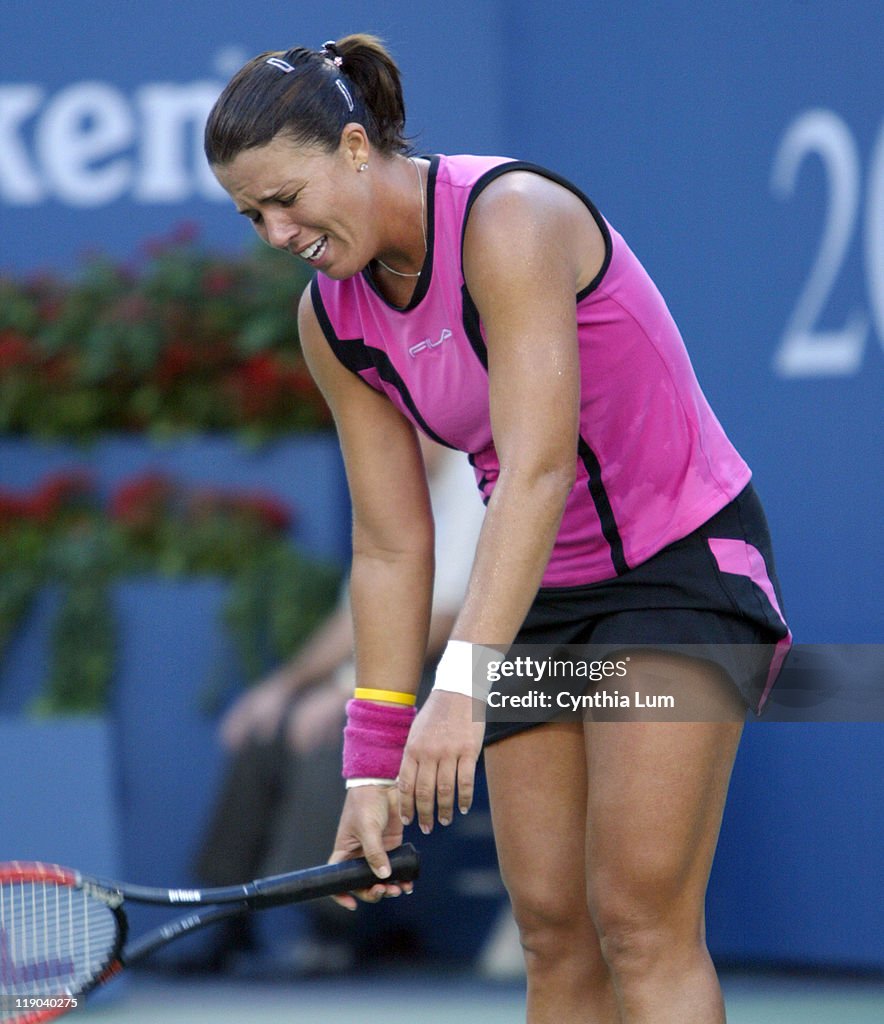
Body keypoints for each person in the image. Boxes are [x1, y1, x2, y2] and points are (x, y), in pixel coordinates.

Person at [203, 34, 791, 1024]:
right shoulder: (331, 320)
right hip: (537, 599)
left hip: (679, 578)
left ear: (354, 147)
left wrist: (463, 682)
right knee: (552, 930)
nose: (275, 232)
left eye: (286, 197)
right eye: (250, 214)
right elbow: (390, 545)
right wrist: (370, 760)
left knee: (637, 919)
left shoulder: (507, 219)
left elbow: (536, 468)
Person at [193, 436, 485, 972]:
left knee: (338, 734)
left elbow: (445, 621)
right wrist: (284, 687)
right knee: (268, 727)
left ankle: (327, 926)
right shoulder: (396, 488)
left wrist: (347, 691)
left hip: (466, 671)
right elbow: (355, 615)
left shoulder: (473, 486)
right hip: (393, 667)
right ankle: (228, 919)